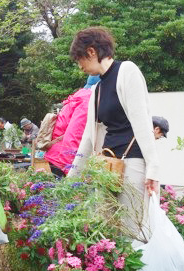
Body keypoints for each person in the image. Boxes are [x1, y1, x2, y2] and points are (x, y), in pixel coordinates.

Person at [68, 27, 159, 240]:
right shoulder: (97, 89)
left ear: (91, 52)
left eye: (79, 59)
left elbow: (142, 121)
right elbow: (88, 139)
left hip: (133, 163)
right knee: (107, 231)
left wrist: (153, 167)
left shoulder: (127, 71)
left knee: (133, 231)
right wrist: (71, 178)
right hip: (108, 166)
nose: (79, 65)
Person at [45, 87, 92, 177]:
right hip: (63, 158)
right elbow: (75, 133)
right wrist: (69, 166)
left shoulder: (75, 100)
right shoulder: (86, 100)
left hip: (56, 153)